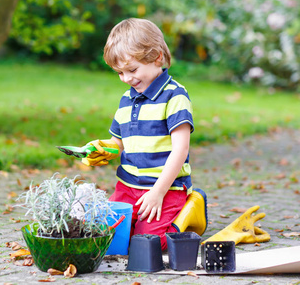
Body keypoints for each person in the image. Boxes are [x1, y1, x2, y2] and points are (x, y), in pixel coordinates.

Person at [82, 18, 207, 250]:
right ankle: (141, 220)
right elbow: (118, 142)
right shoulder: (127, 98)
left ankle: (190, 209)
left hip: (165, 187)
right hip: (128, 186)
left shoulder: (174, 96)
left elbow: (181, 149)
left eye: (132, 70)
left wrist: (158, 192)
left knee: (146, 244)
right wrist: (101, 149)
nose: (126, 78)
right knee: (104, 235)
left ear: (157, 57)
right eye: (119, 73)